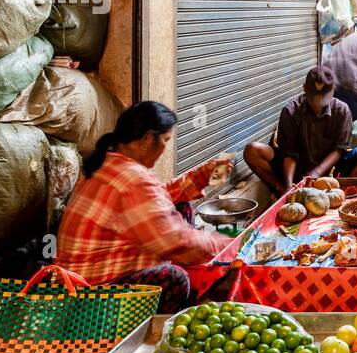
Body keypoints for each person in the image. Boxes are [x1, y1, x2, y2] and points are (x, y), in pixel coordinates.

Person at [57, 101, 231, 312]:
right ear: (148, 139)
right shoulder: (133, 179)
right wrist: (228, 246)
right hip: (91, 297)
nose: (165, 148)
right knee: (175, 279)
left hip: (76, 282)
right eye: (165, 140)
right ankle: (146, 333)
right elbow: (175, 241)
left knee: (180, 207)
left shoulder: (107, 161)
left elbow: (156, 199)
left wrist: (199, 178)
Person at [244, 66, 357, 197]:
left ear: (333, 90)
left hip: (332, 169)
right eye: (313, 97)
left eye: (323, 97)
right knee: (252, 151)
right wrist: (288, 185)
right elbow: (289, 153)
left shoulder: (341, 110)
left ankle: (339, 193)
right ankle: (284, 193)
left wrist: (317, 172)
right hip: (296, 168)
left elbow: (339, 149)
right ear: (304, 89)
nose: (318, 102)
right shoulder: (291, 111)